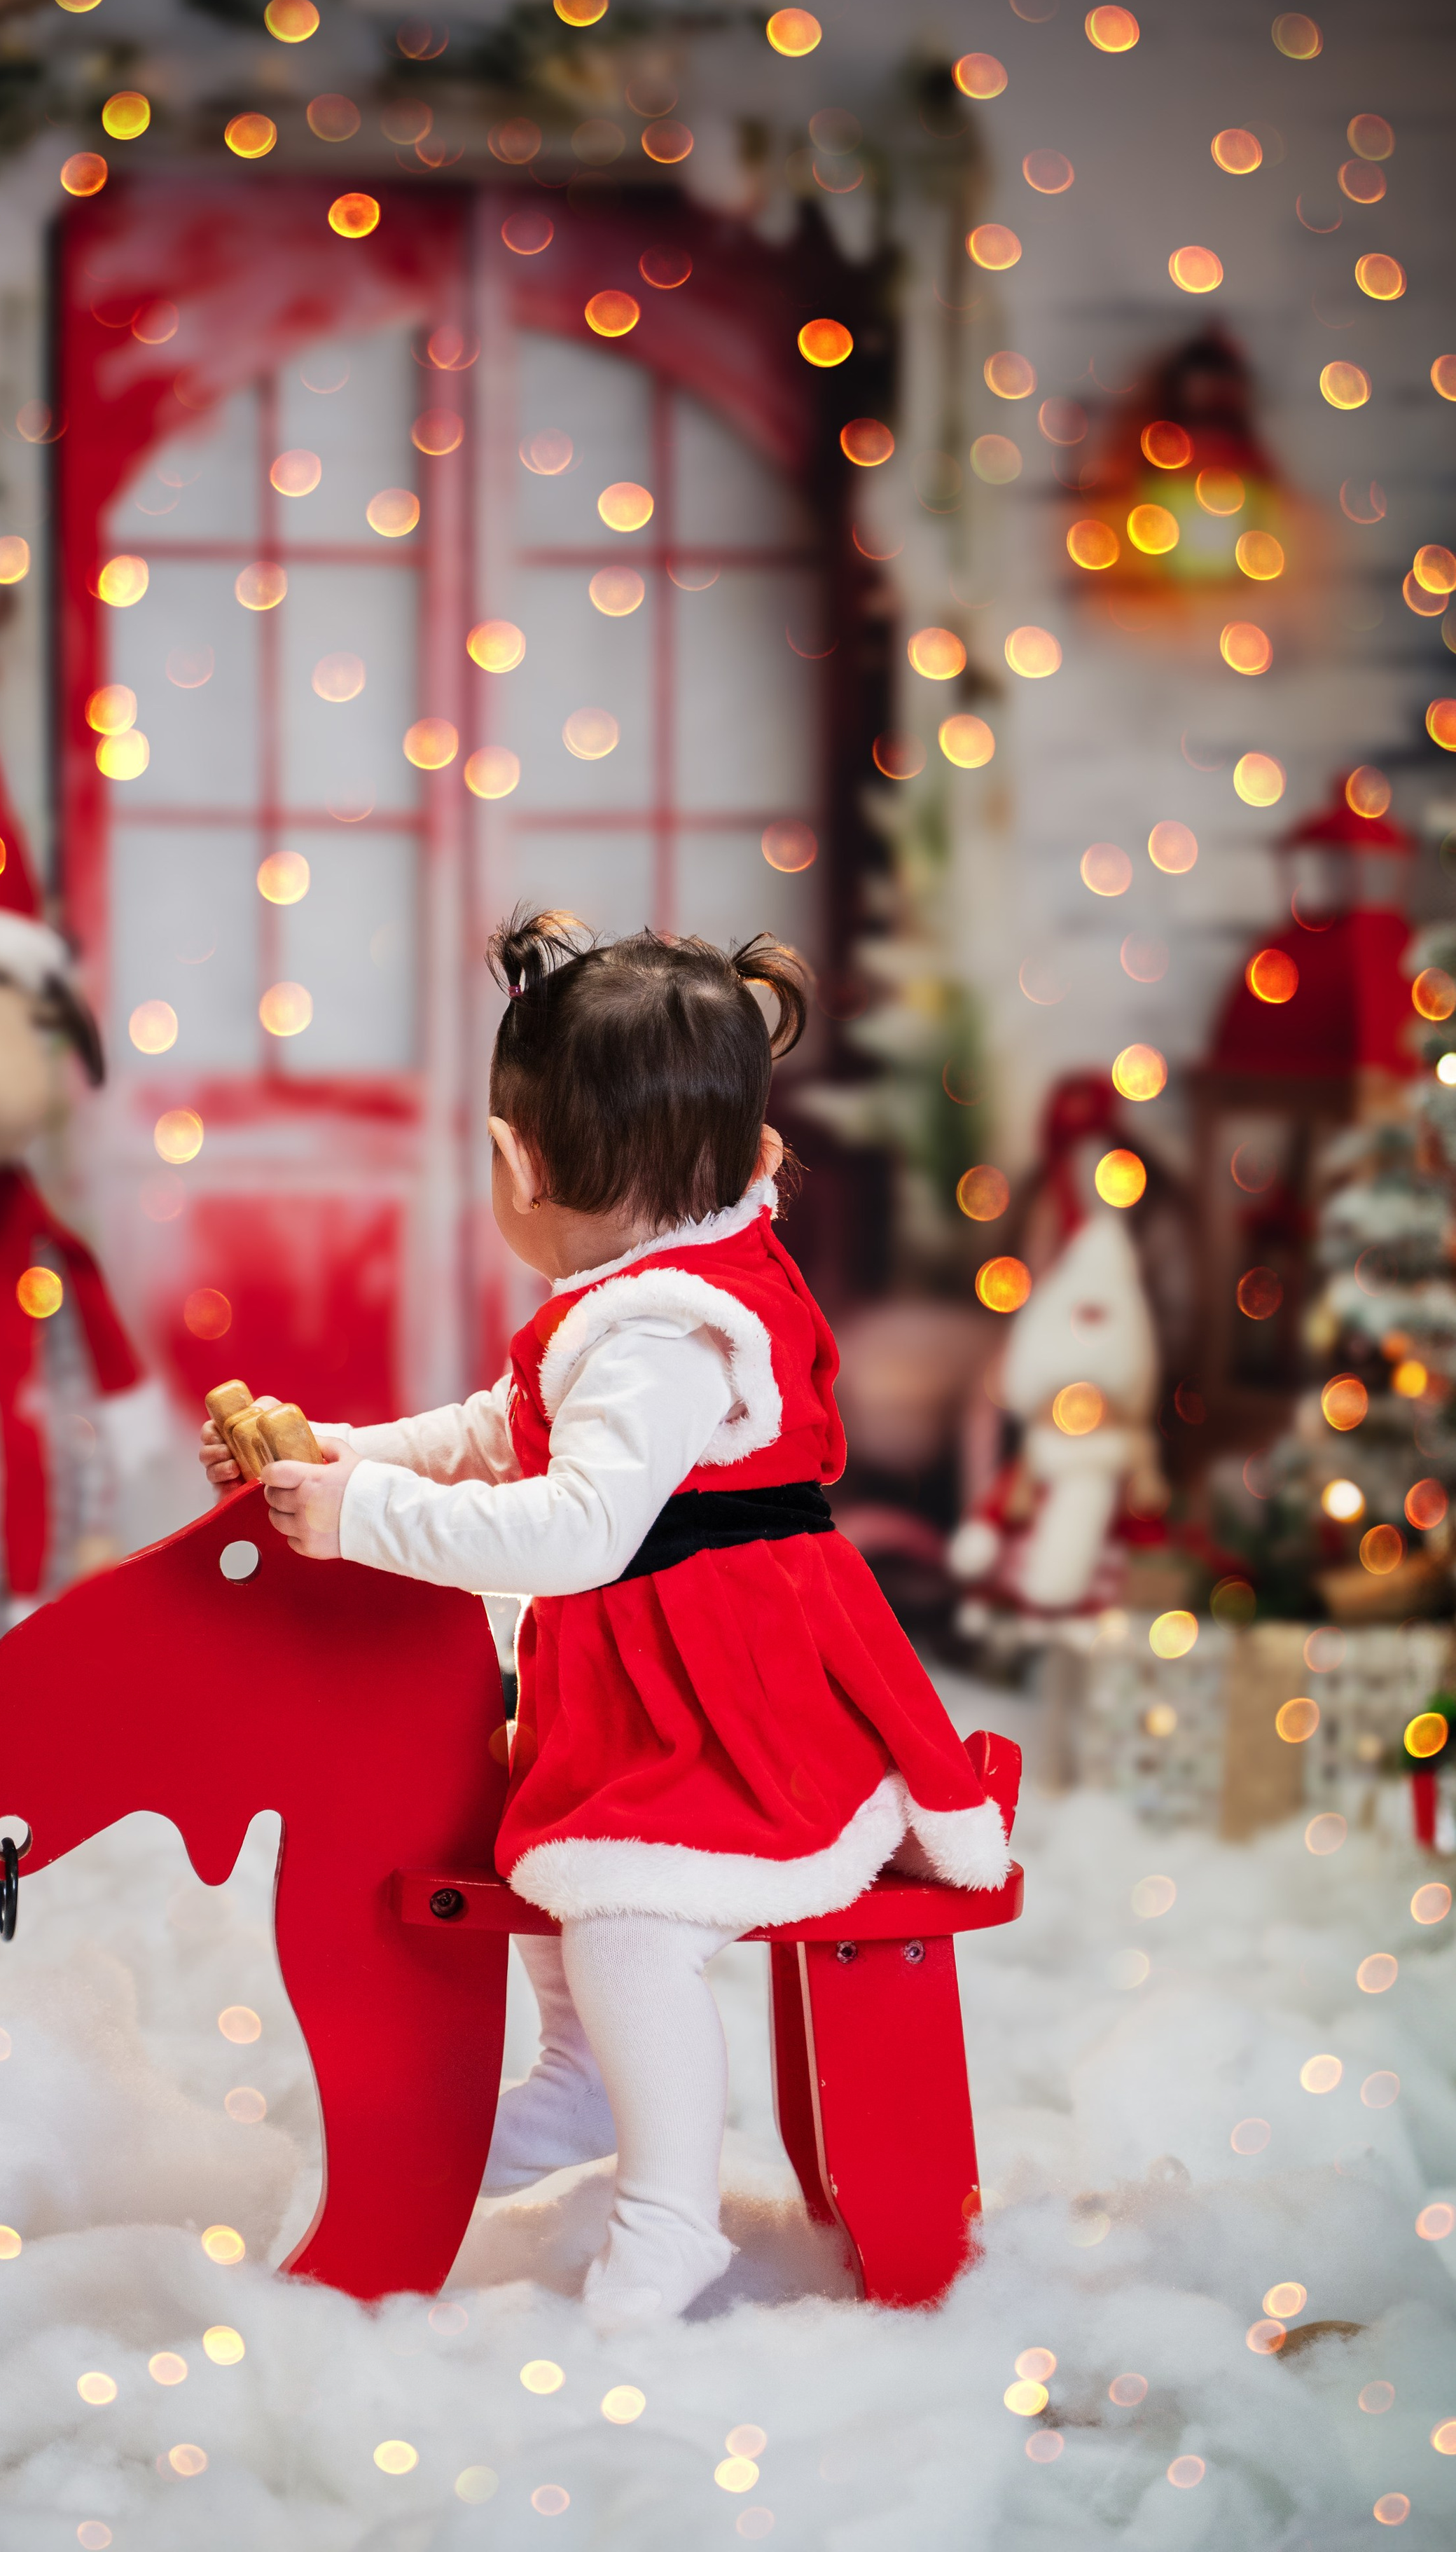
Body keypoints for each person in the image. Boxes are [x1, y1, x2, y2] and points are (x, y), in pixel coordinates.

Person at [200, 913, 1008, 2333]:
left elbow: (575, 1528)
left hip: (741, 1698)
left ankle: (670, 2212)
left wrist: (360, 1522)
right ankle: (579, 2077)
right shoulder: (640, 1291)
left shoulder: (659, 1335)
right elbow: (495, 1428)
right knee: (540, 1829)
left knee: (629, 1919)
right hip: (655, 1674)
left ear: (516, 1169)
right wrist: (345, 1451)